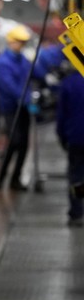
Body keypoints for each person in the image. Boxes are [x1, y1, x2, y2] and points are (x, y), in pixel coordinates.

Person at [0, 25, 33, 191]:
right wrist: (25, 98)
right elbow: (8, 86)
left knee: (24, 144)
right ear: (11, 42)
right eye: (20, 42)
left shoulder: (23, 60)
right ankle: (0, 179)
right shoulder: (2, 62)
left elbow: (32, 75)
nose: (22, 46)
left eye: (24, 43)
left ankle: (15, 179)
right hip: (10, 108)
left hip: (24, 108)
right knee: (14, 142)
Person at [57, 67, 84, 226]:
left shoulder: (68, 83)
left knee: (77, 177)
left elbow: (62, 115)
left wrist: (62, 136)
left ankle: (77, 211)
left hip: (76, 138)